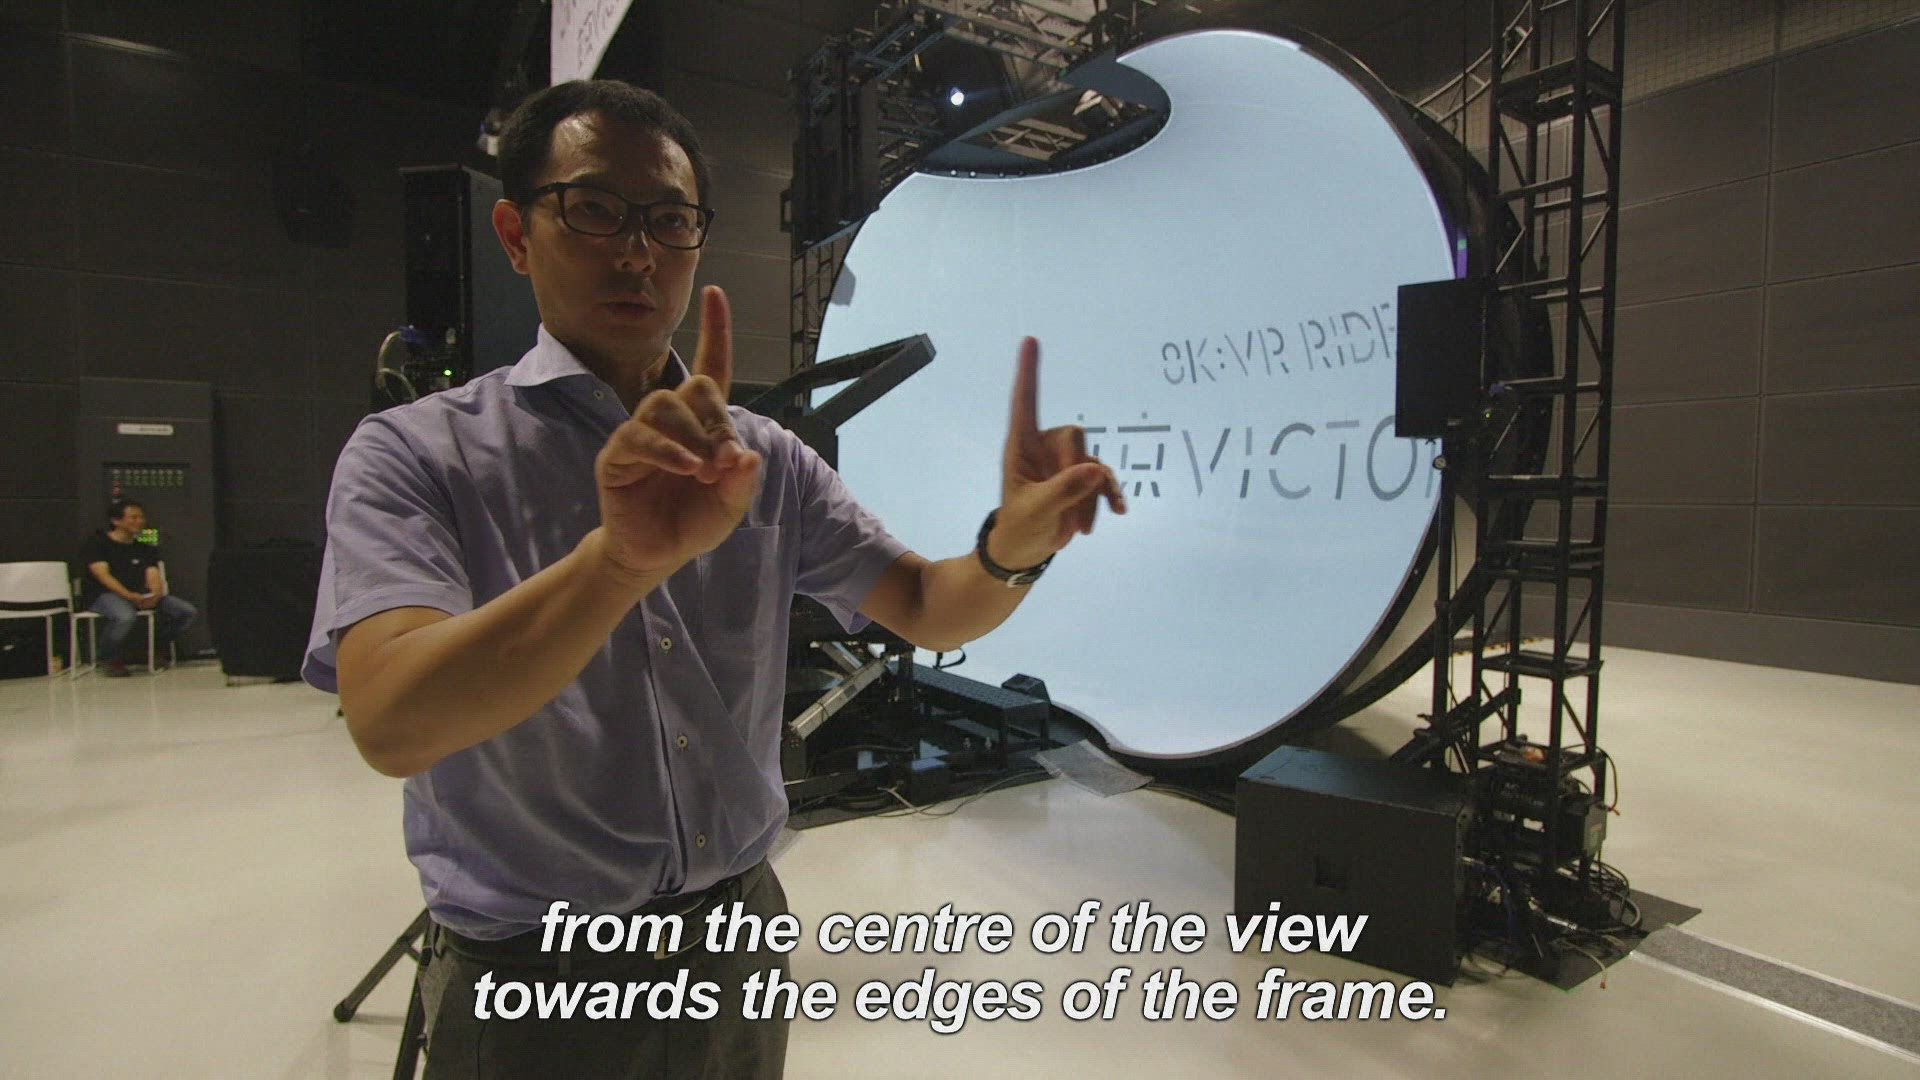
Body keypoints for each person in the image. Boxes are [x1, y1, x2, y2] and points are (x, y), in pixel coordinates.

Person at [303, 79, 1123, 1078]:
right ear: (516, 234)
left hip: (735, 950)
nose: (637, 252)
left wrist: (1011, 549)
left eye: (670, 220)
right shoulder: (416, 453)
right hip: (534, 979)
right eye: (594, 210)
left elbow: (924, 605)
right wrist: (616, 565)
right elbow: (391, 722)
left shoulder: (763, 458)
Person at [79, 497, 196, 676]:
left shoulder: (145, 549)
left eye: (141, 517)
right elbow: (103, 575)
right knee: (125, 616)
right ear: (116, 521)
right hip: (103, 595)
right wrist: (129, 595)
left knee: (186, 611)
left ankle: (154, 647)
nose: (139, 521)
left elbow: (153, 574)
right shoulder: (97, 543)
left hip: (139, 595)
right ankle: (109, 658)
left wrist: (155, 595)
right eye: (133, 517)